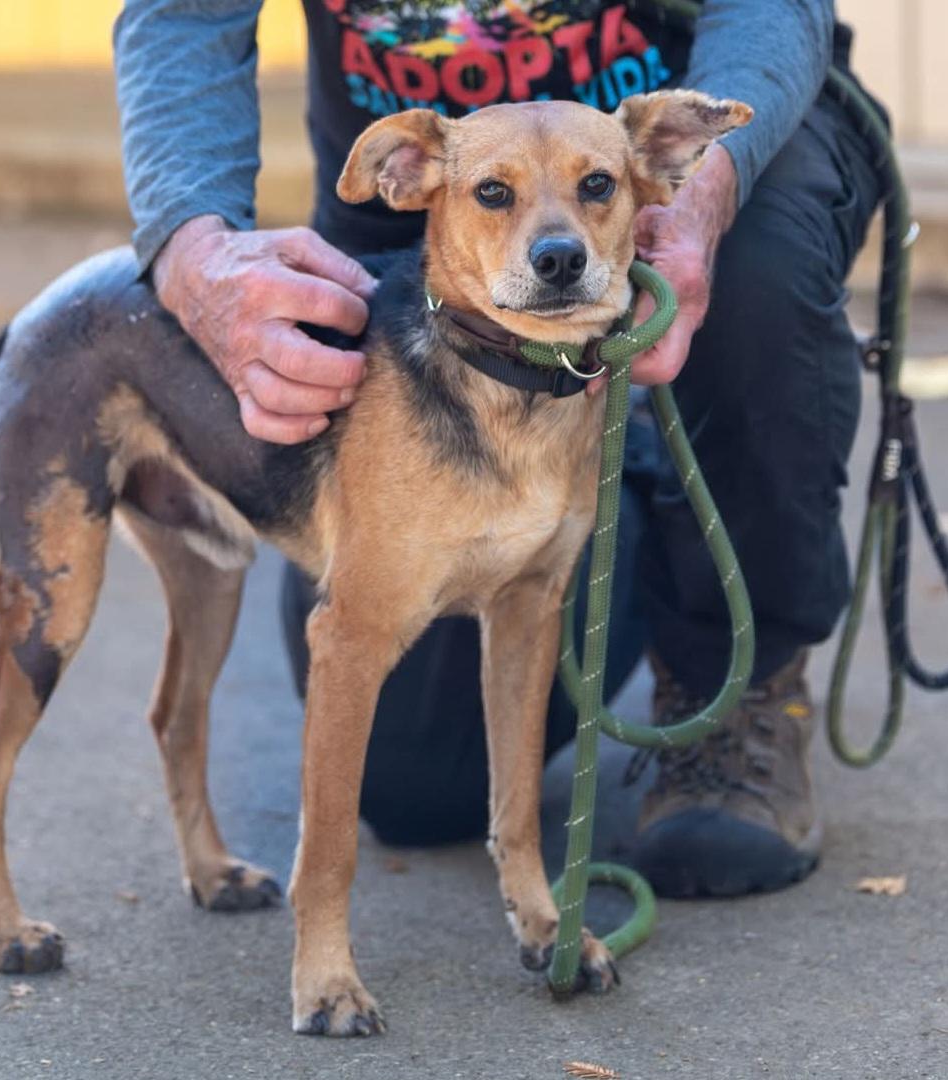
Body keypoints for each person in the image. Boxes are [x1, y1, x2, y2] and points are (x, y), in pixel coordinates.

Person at [113, 1, 883, 898]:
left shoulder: (666, 158)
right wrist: (191, 246)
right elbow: (181, 12)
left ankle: (735, 681)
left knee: (758, 278)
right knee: (416, 784)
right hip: (434, 205)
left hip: (704, 112)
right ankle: (593, 500)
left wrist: (705, 192)